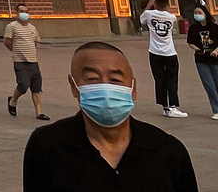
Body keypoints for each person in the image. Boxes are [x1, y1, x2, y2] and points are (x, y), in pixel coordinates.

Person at [22, 41, 198, 191]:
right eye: (92, 78)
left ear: (133, 88)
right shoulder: (47, 145)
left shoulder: (168, 150)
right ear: (74, 86)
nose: (105, 87)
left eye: (115, 79)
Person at [140, 0, 185, 117]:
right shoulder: (171, 17)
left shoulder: (149, 15)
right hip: (169, 52)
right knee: (172, 79)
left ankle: (165, 106)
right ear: (166, 4)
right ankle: (173, 106)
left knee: (159, 80)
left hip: (154, 52)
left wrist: (150, 5)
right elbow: (168, 12)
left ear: (155, 4)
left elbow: (141, 19)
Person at [5, 3, 50, 122]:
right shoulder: (12, 26)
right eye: (21, 11)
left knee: (37, 87)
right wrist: (16, 52)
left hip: (33, 61)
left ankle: (39, 112)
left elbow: (36, 41)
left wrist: (33, 52)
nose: (24, 13)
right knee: (23, 85)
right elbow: (7, 41)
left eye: (26, 11)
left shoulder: (32, 27)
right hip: (20, 61)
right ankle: (13, 101)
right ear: (17, 13)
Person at [185, 3, 218, 119]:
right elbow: (190, 42)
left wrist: (216, 51)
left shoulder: (214, 27)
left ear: (205, 13)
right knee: (209, 84)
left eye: (199, 13)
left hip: (215, 58)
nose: (197, 15)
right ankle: (216, 110)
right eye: (195, 13)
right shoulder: (194, 28)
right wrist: (196, 48)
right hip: (201, 59)